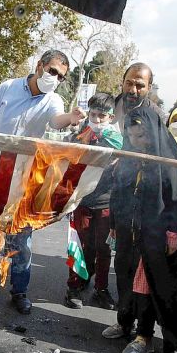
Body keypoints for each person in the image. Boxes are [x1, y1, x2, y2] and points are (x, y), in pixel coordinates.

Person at [0, 49, 85, 314]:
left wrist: (70, 119)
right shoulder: (8, 88)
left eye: (61, 77)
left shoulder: (53, 100)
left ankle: (19, 291)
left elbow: (57, 121)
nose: (55, 78)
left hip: (25, 178)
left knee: (21, 240)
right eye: (53, 71)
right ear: (40, 66)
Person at [104, 105, 177, 353]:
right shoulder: (127, 157)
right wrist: (115, 225)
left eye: (141, 136)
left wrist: (173, 233)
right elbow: (118, 192)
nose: (136, 141)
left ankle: (144, 336)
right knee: (124, 278)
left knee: (145, 286)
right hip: (127, 231)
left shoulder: (168, 160)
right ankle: (124, 321)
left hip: (153, 234)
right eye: (131, 135)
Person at [62, 93, 119, 311]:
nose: (96, 120)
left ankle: (101, 289)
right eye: (93, 114)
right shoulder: (81, 135)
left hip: (106, 203)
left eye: (101, 116)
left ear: (111, 117)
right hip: (82, 200)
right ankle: (74, 287)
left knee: (103, 249)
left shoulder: (119, 140)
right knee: (79, 246)